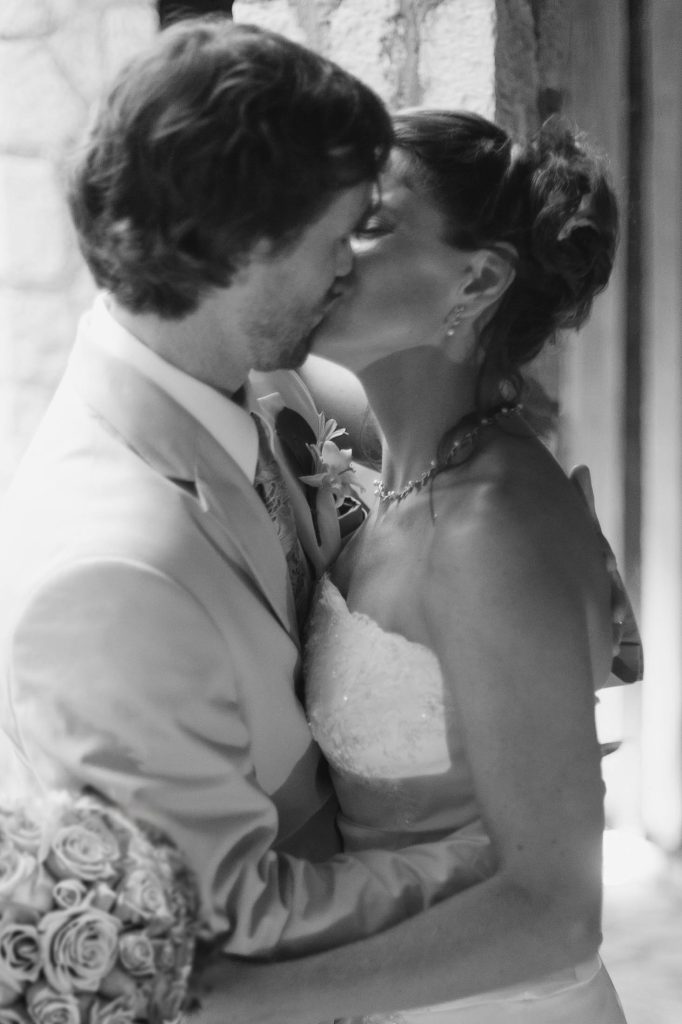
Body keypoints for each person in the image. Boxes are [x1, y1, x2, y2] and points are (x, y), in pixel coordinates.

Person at [0, 22, 502, 968]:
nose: (353, 266)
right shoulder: (107, 574)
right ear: (241, 251)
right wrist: (493, 848)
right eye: (337, 235)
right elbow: (233, 911)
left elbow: (439, 463)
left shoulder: (256, 379)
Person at [194, 111, 633, 1021]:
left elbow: (555, 913)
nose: (323, 244)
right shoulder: (403, 471)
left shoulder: (488, 532)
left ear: (474, 281)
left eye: (370, 221)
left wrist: (242, 999)